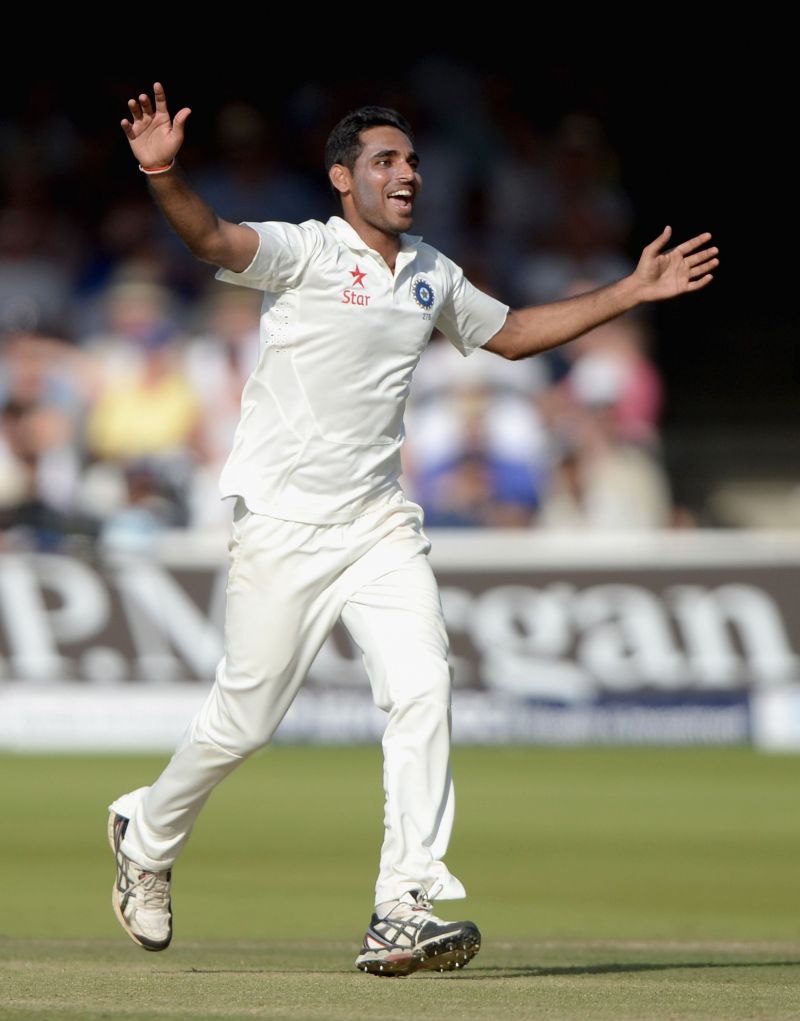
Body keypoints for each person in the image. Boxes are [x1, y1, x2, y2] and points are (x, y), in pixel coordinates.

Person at [107, 82, 718, 978]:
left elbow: (508, 335)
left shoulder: (430, 270)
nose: (407, 174)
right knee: (244, 720)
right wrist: (163, 172)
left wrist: (629, 289)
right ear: (342, 180)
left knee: (424, 684)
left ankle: (403, 905)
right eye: (386, 162)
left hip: (379, 523)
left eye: (413, 160)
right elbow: (211, 238)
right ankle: (145, 831)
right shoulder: (303, 251)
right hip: (281, 523)